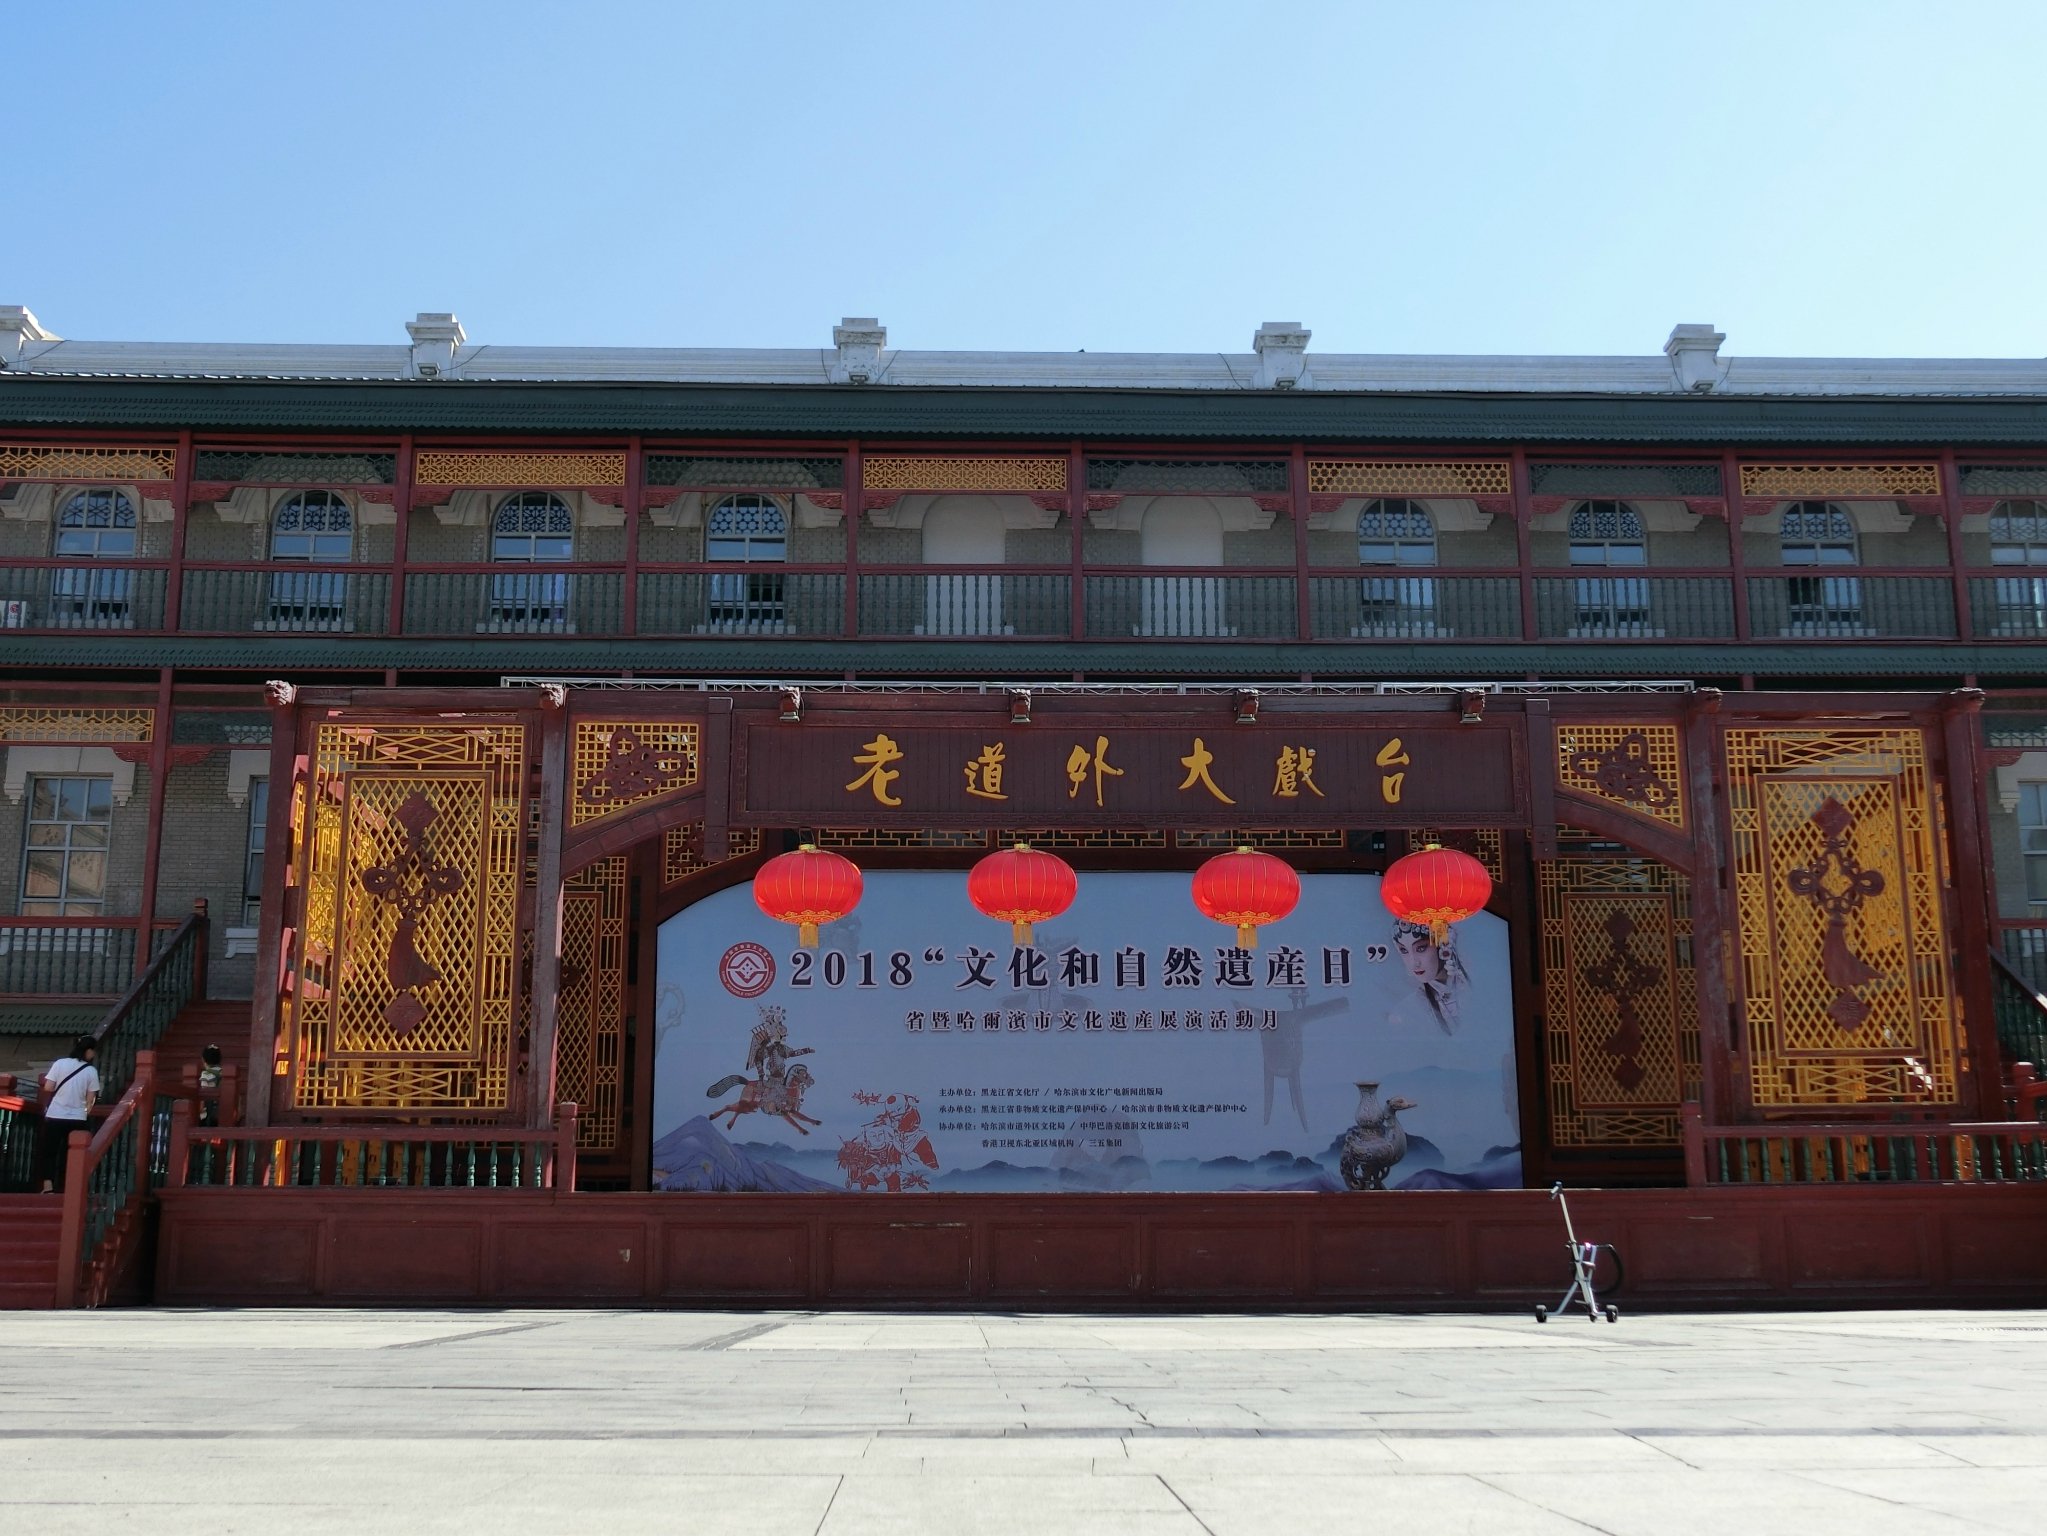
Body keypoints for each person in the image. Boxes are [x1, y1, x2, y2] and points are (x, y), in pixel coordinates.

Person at [36, 1035, 100, 1194]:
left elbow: (48, 1087)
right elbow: (90, 1099)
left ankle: (48, 1187)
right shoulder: (91, 1071)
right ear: (88, 1051)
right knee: (72, 1153)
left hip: (55, 1115)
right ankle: (69, 1187)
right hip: (77, 1118)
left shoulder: (60, 1063)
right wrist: (86, 1111)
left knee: (50, 1152)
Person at [1390, 921, 1470, 1035]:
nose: (1414, 963)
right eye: (1404, 950)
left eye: (1421, 948)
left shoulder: (1473, 984)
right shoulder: (1407, 1011)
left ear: (1443, 944)